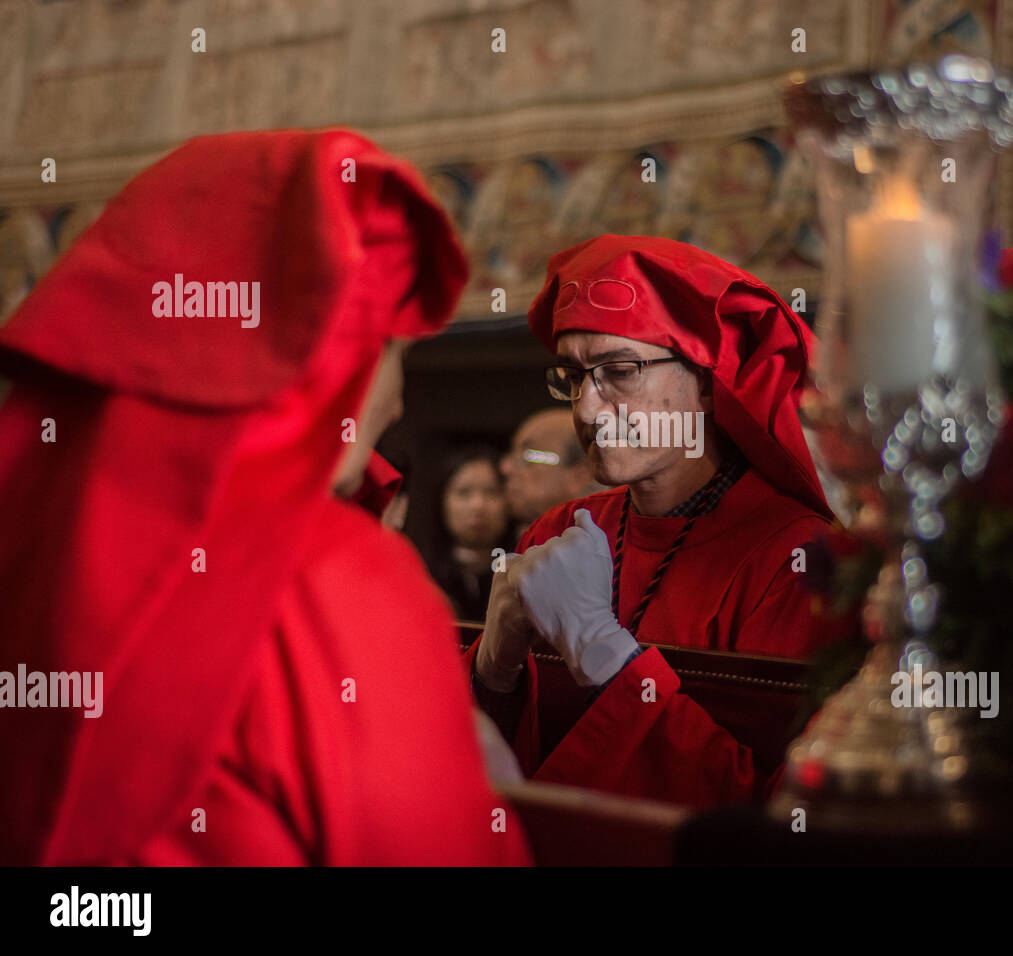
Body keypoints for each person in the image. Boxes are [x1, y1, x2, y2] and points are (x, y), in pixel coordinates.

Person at [0, 130, 530, 866]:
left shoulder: (23, 525)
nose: (398, 399)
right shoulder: (333, 580)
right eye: (392, 354)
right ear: (334, 355)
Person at [468, 234, 836, 808]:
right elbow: (484, 780)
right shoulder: (560, 529)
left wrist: (603, 654)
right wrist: (493, 670)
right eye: (573, 376)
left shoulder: (796, 558)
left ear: (710, 384)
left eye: (619, 371)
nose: (587, 408)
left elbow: (767, 810)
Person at [426, 445, 512, 620]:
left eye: (491, 492)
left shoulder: (522, 576)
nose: (478, 505)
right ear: (442, 501)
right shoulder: (421, 573)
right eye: (464, 493)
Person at [500, 407, 598, 538]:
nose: (506, 468)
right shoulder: (505, 544)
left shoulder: (608, 549)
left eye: (527, 456)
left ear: (579, 476)